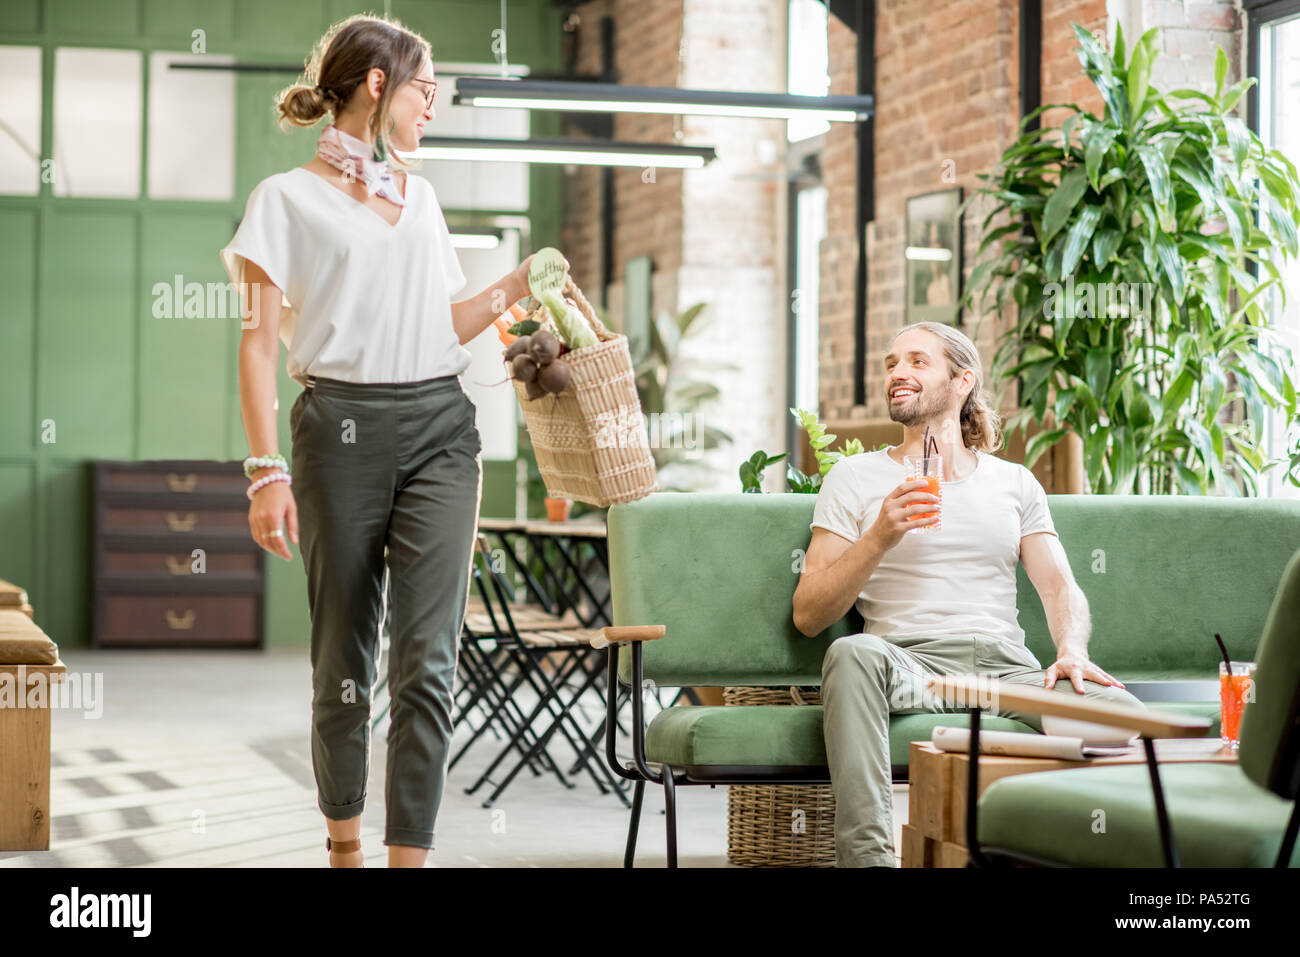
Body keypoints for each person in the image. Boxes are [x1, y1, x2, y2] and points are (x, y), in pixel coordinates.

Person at [219, 13, 562, 868]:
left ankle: (409, 858)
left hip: (443, 429)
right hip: (338, 433)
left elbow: (448, 320)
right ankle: (344, 845)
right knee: (343, 653)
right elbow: (259, 342)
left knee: (428, 660)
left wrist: (519, 283)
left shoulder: (425, 199)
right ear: (378, 84)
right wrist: (265, 472)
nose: (433, 106)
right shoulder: (283, 200)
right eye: (426, 88)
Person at [791, 321, 1145, 868]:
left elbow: (1059, 587)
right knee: (851, 651)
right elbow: (810, 613)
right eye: (890, 363)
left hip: (1007, 670)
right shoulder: (854, 478)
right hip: (910, 666)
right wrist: (880, 536)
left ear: (962, 382)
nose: (897, 374)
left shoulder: (1015, 482)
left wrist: (1072, 651)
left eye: (916, 361)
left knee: (1131, 723)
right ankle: (868, 863)